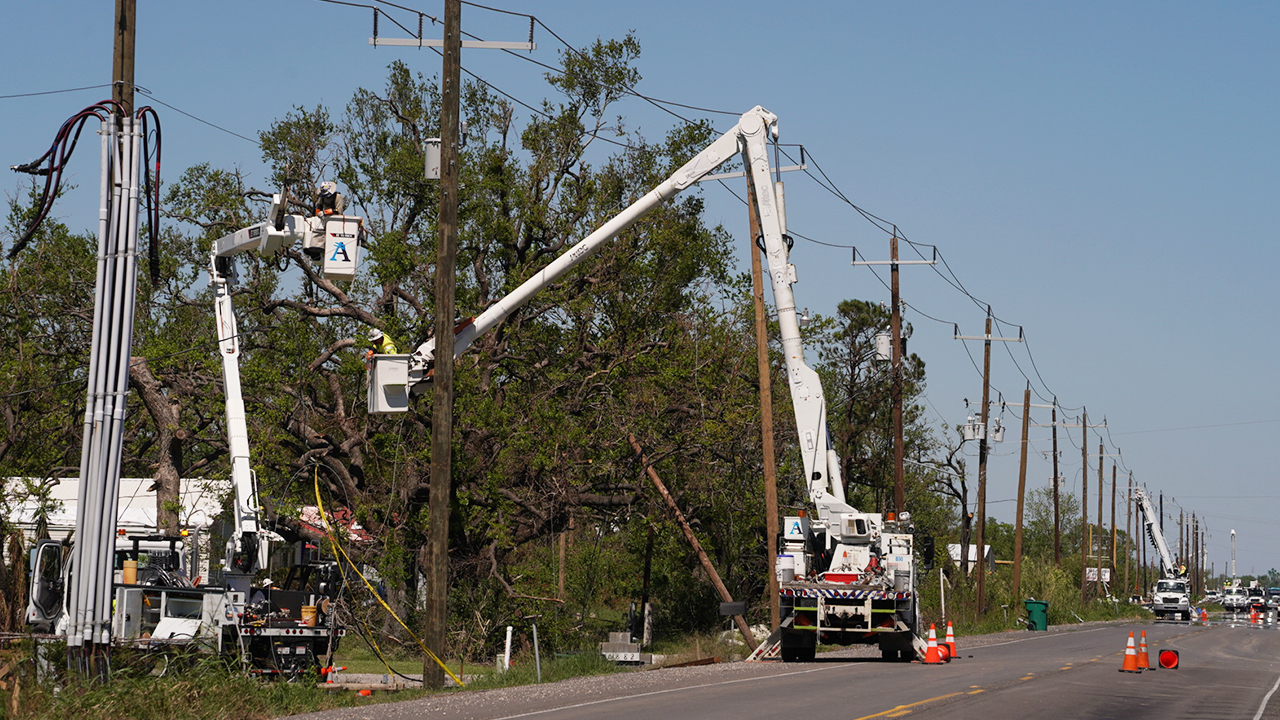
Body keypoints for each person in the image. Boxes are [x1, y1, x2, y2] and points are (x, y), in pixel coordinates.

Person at [305, 182, 345, 259]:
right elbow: (318, 206)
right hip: (324, 219)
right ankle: (315, 248)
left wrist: (325, 212)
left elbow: (338, 210)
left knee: (329, 236)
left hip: (335, 220)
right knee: (317, 232)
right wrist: (317, 214)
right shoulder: (322, 196)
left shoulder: (337, 196)